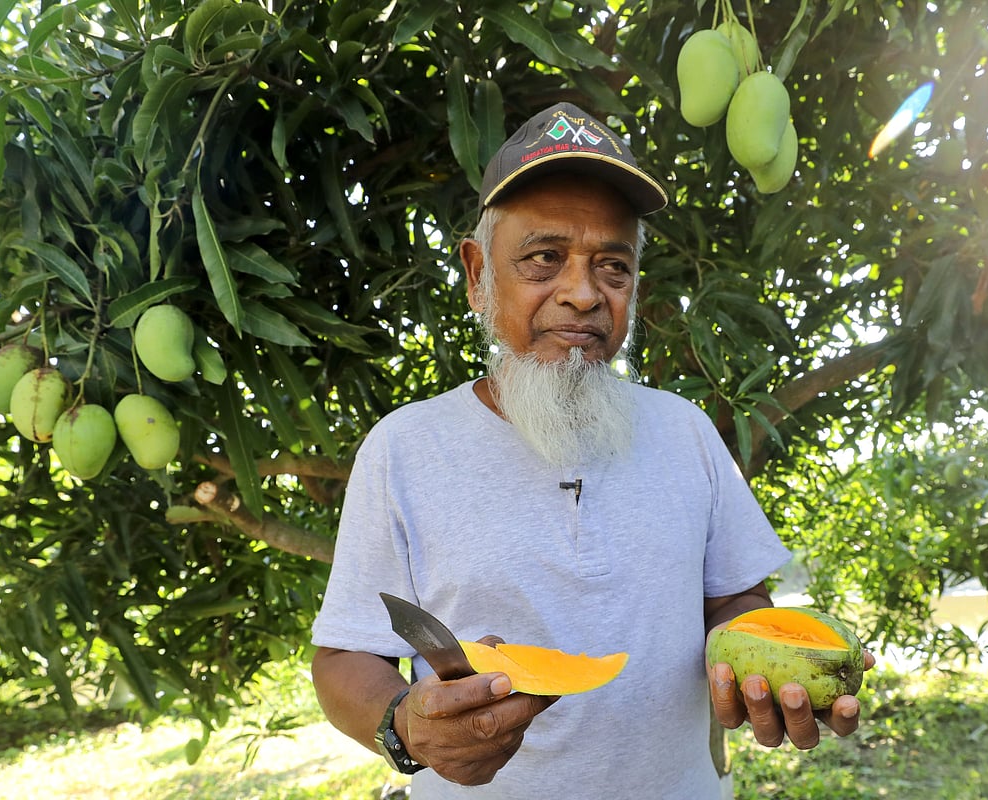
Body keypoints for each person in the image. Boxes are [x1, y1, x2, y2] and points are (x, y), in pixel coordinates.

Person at [310, 102, 870, 798]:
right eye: (544, 258)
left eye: (613, 266)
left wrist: (765, 668)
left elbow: (736, 599)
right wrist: (401, 725)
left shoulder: (685, 431)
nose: (582, 294)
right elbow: (344, 654)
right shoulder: (405, 449)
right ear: (478, 272)